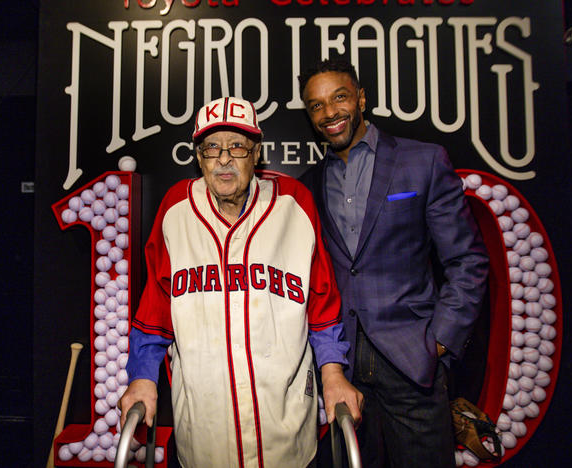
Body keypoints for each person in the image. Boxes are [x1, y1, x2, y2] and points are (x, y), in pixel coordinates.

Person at [119, 96, 363, 468]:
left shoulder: (295, 205)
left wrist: (333, 373)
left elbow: (322, 303)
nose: (224, 158)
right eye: (212, 147)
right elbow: (155, 309)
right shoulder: (175, 210)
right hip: (204, 435)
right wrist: (142, 377)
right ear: (198, 157)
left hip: (286, 431)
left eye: (237, 145)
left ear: (256, 152)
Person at [298, 60, 489, 468]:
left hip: (412, 362)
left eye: (340, 97)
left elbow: (467, 260)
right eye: (316, 106)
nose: (329, 113)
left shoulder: (422, 161)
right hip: (343, 368)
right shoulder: (308, 183)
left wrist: (439, 342)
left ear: (362, 98)